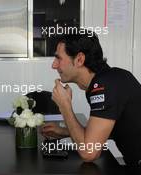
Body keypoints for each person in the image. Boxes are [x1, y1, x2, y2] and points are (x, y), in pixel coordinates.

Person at [41, 30, 141, 167]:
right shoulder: (106, 80)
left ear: (80, 59)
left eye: (59, 58)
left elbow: (89, 152)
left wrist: (64, 106)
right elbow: (110, 131)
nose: (54, 65)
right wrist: (65, 131)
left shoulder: (105, 85)